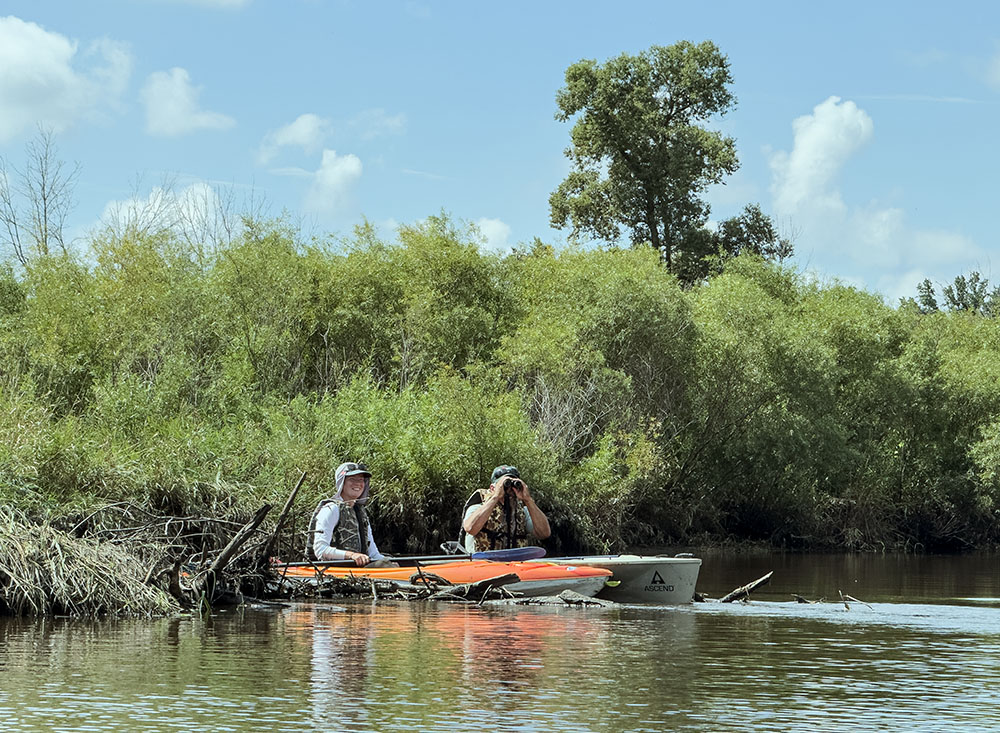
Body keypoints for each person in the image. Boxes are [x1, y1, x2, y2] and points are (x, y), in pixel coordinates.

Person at [308, 461, 394, 567]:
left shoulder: (361, 512)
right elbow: (320, 550)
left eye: (361, 479)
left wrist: (391, 563)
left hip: (358, 571)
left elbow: (373, 554)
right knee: (383, 565)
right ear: (342, 482)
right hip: (333, 571)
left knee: (388, 562)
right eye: (352, 479)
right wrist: (351, 555)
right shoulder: (330, 509)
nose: (358, 483)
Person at [460, 465, 551, 554]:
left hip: (514, 565)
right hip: (484, 564)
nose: (509, 489)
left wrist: (528, 499)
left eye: (513, 485)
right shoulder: (478, 507)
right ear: (492, 488)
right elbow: (470, 528)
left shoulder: (522, 511)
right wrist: (496, 496)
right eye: (506, 484)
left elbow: (544, 533)